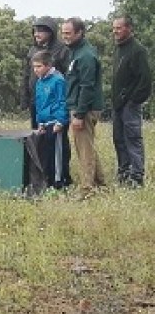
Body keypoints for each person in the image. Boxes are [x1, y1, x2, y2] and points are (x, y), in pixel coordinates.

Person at [62, 17, 105, 191]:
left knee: (84, 150)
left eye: (68, 33)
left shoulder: (86, 55)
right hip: (78, 105)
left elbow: (87, 86)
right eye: (63, 33)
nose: (65, 36)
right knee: (87, 146)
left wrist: (79, 114)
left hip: (84, 108)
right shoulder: (75, 51)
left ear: (80, 32)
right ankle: (100, 183)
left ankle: (87, 189)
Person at [111, 15, 152, 187]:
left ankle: (136, 176)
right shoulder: (119, 48)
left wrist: (133, 101)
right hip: (117, 104)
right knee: (118, 139)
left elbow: (145, 79)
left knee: (133, 138)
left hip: (130, 104)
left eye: (119, 28)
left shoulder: (138, 50)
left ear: (129, 28)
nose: (115, 31)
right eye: (114, 28)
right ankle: (124, 173)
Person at [22, 16, 71, 129]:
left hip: (54, 105)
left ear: (50, 32)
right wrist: (24, 96)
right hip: (36, 101)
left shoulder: (62, 50)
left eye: (40, 31)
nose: (36, 34)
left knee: (56, 141)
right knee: (36, 136)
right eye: (35, 31)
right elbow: (26, 74)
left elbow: (67, 77)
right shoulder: (32, 50)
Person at [32, 50, 70, 189]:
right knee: (46, 153)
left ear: (48, 65)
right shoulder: (40, 82)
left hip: (55, 123)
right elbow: (40, 103)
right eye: (34, 67)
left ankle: (59, 182)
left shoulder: (58, 80)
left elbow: (62, 102)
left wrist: (60, 121)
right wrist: (40, 122)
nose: (36, 70)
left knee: (57, 154)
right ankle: (48, 181)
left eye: (39, 66)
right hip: (45, 122)